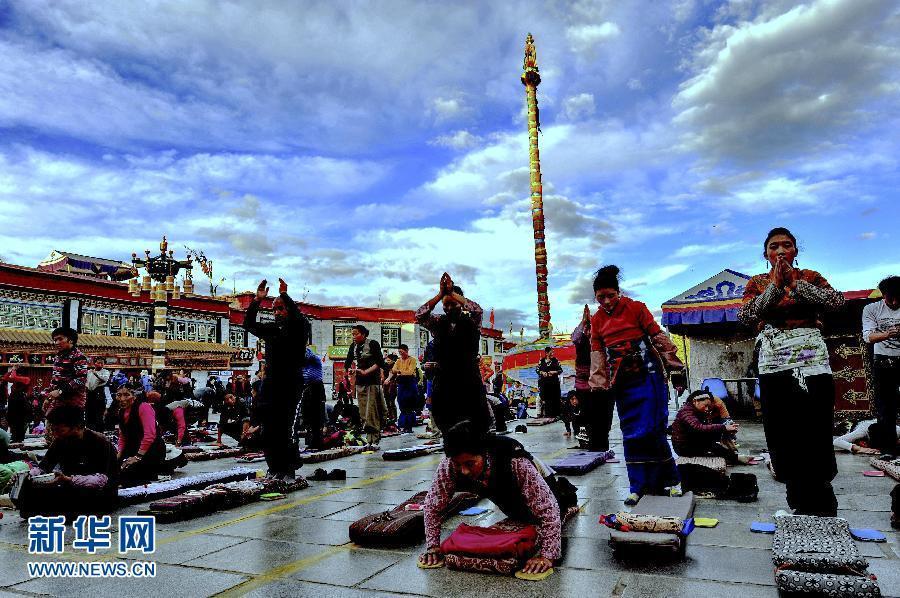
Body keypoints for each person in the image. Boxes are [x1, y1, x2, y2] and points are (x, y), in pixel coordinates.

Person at [739, 227, 844, 516]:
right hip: (774, 364)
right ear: (766, 254)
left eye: (787, 246)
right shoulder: (758, 283)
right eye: (774, 247)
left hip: (812, 363)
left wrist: (795, 285)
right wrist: (775, 286)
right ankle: (797, 504)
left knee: (816, 428)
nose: (781, 251)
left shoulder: (811, 277)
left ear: (796, 251)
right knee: (783, 431)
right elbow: (747, 315)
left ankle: (824, 504)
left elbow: (836, 302)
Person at [419, 420, 576, 575]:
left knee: (554, 507)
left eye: (470, 464)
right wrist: (433, 546)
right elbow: (433, 506)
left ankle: (566, 492)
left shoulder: (514, 460)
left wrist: (547, 556)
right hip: (512, 501)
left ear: (484, 453)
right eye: (458, 465)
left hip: (549, 490)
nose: (464, 471)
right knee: (518, 514)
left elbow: (549, 508)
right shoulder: (450, 464)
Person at [589, 265, 685, 506]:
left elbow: (658, 337)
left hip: (649, 377)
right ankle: (638, 486)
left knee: (653, 429)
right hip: (623, 383)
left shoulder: (637, 308)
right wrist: (599, 384)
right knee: (631, 433)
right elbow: (597, 353)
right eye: (601, 297)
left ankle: (671, 481)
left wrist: (676, 368)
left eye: (611, 295)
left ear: (618, 292)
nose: (607, 301)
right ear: (595, 297)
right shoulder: (597, 319)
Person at [245, 278, 309, 480]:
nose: (277, 313)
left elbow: (297, 316)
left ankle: (288, 469)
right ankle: (274, 468)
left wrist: (284, 295)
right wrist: (257, 300)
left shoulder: (300, 326)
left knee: (286, 426)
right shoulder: (272, 329)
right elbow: (248, 324)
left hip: (291, 382)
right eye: (274, 310)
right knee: (268, 427)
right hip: (271, 382)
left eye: (281, 309)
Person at [14, 405, 118, 520]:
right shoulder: (60, 441)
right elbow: (44, 467)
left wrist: (69, 479)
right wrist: (27, 475)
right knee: (31, 489)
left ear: (77, 427)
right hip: (69, 487)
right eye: (53, 430)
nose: (55, 434)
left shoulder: (100, 442)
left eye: (60, 430)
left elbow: (102, 480)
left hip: (98, 492)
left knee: (80, 499)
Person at [416, 273, 490, 433]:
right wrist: (440, 295)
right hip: (445, 380)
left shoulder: (472, 321)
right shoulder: (438, 323)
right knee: (449, 423)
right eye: (446, 305)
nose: (449, 308)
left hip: (468, 378)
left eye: (453, 304)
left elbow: (477, 310)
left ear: (461, 303)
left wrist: (452, 293)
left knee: (473, 421)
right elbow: (419, 315)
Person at [862, 275, 900, 456]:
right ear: (883, 295)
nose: (893, 302)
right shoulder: (872, 309)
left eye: (898, 297)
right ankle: (888, 449)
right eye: (889, 297)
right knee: (886, 406)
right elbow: (868, 337)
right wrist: (888, 333)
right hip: (884, 360)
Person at [573, 304, 614, 451]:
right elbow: (575, 337)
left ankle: (602, 446)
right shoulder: (581, 339)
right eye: (588, 328)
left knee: (604, 418)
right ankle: (592, 445)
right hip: (584, 386)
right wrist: (584, 321)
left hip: (603, 385)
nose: (590, 331)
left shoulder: (604, 339)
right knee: (587, 417)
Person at [671, 390, 741, 464]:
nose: (707, 409)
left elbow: (709, 426)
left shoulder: (697, 409)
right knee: (711, 442)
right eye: (705, 406)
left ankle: (732, 456)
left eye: (708, 406)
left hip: (690, 441)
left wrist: (726, 429)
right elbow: (698, 427)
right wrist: (724, 427)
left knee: (714, 437)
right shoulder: (686, 411)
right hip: (683, 447)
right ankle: (734, 457)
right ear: (695, 401)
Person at [345, 325, 387, 447]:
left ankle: (375, 438)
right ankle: (369, 439)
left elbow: (380, 362)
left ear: (363, 334)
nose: (353, 336)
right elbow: (348, 361)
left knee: (372, 411)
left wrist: (365, 371)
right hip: (360, 382)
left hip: (372, 381)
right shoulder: (353, 347)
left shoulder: (373, 344)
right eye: (352, 334)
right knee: (363, 411)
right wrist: (349, 371)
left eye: (355, 334)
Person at [115, 387, 166, 486]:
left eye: (126, 395)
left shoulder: (143, 407)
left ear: (134, 396)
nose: (122, 399)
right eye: (119, 395)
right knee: (113, 469)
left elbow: (150, 435)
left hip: (150, 450)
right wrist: (118, 455)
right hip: (133, 448)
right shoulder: (121, 412)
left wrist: (137, 457)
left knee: (128, 476)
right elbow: (122, 436)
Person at [42, 327, 89, 417]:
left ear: (70, 340)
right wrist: (48, 397)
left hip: (73, 404)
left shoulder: (78, 356)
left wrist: (60, 391)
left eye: (60, 339)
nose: (56, 343)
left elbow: (81, 379)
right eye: (55, 340)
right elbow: (55, 381)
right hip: (57, 402)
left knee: (68, 430)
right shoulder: (58, 357)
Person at [298, 347, 326, 450]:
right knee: (307, 415)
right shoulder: (303, 365)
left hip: (316, 387)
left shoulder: (314, 358)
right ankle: (311, 441)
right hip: (306, 388)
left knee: (317, 416)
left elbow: (307, 357)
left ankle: (317, 442)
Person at [833, 419, 900, 454]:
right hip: (851, 426)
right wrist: (859, 449)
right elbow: (836, 441)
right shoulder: (862, 431)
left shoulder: (896, 429)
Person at [2, 366, 32, 442]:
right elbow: (5, 378)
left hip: (20, 402)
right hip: (13, 401)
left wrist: (14, 370)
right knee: (12, 420)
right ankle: (14, 437)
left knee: (20, 421)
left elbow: (14, 377)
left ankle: (19, 438)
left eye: (19, 373)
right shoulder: (16, 379)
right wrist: (11, 370)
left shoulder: (26, 379)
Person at [85, 357, 111, 432]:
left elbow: (104, 379)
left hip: (99, 395)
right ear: (94, 363)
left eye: (102, 363)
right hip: (89, 395)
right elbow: (87, 382)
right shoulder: (89, 372)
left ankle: (99, 434)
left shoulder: (105, 372)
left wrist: (96, 374)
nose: (100, 364)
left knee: (98, 417)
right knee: (89, 415)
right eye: (98, 362)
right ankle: (89, 432)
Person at [536, 347, 563, 418]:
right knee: (546, 399)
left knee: (555, 398)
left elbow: (560, 370)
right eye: (551, 352)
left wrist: (554, 372)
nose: (552, 354)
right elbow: (537, 370)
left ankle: (557, 414)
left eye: (553, 352)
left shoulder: (555, 360)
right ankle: (547, 414)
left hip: (554, 383)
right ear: (547, 353)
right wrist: (542, 372)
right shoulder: (541, 361)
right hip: (544, 383)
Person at [382, 353, 399, 428]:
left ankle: (394, 417)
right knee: (387, 402)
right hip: (385, 385)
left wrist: (389, 380)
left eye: (389, 360)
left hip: (393, 386)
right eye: (387, 360)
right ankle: (389, 416)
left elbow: (394, 374)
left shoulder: (395, 365)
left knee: (392, 402)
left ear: (392, 360)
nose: (387, 361)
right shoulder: (385, 365)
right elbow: (381, 365)